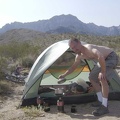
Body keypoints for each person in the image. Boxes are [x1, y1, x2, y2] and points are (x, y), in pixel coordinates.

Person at [58, 38, 119, 116]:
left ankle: (104, 106)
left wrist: (103, 72)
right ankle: (100, 100)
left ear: (79, 43)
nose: (74, 49)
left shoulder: (89, 48)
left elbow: (100, 56)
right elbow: (73, 67)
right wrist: (64, 75)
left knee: (102, 77)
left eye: (75, 46)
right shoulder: (78, 56)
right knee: (92, 78)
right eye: (72, 48)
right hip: (101, 61)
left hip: (111, 57)